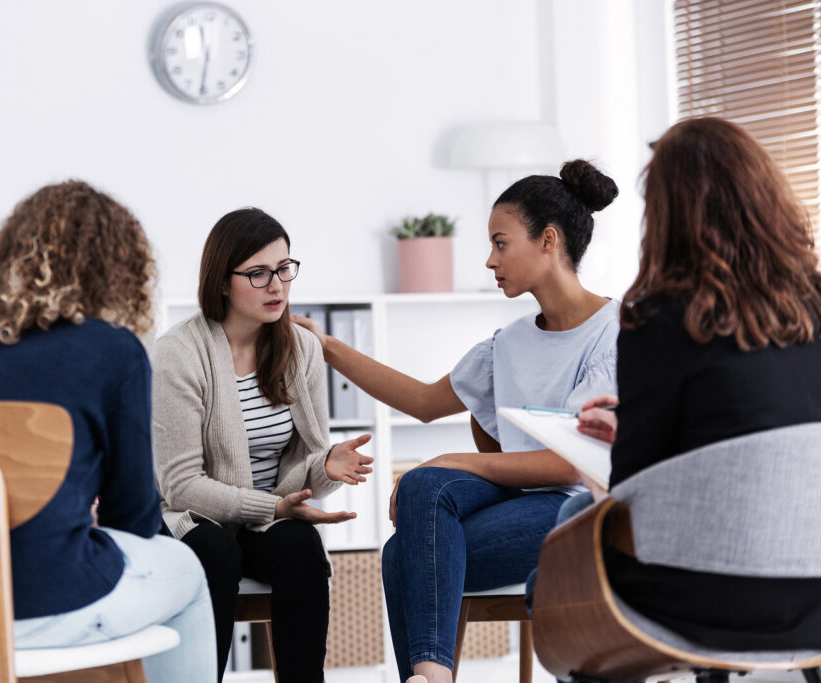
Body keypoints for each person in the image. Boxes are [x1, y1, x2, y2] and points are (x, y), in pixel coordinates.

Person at [295, 160, 619, 683]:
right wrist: (327, 347)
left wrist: (456, 459)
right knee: (423, 492)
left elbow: (567, 467)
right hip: (513, 504)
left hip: (579, 514)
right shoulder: (508, 344)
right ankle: (434, 675)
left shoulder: (613, 334)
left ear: (548, 241)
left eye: (500, 243)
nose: (490, 260)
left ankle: (427, 677)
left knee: (405, 552)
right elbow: (423, 401)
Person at [0, 180, 215, 682]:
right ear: (119, 266)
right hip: (35, 606)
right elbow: (135, 519)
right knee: (185, 569)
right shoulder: (114, 349)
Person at [570, 117, 821, 650]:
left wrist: (626, 440)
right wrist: (639, 417)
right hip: (814, 595)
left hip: (703, 599)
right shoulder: (815, 308)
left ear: (668, 216)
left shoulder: (659, 323)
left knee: (573, 525)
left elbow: (630, 498)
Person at [153, 207, 374, 683]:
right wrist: (271, 509)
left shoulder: (302, 347)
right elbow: (181, 486)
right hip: (188, 516)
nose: (277, 285)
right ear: (221, 282)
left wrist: (325, 467)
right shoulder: (178, 354)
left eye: (283, 269)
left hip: (268, 515)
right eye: (257, 274)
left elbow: (303, 464)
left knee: (301, 548)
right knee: (216, 552)